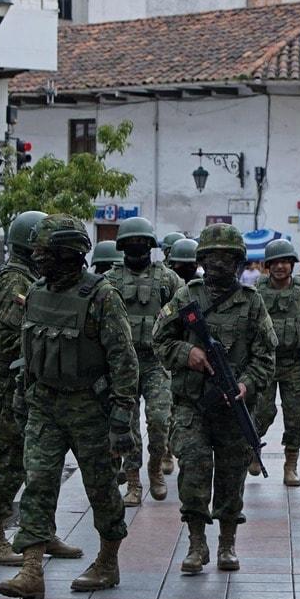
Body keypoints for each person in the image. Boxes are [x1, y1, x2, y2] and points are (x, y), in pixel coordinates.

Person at [0, 215, 139, 599]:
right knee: (38, 483)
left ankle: (108, 561)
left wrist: (122, 418)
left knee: (101, 488)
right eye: (38, 254)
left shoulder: (101, 297)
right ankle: (31, 570)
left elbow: (124, 360)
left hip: (90, 408)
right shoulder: (38, 293)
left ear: (70, 255)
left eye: (47, 254)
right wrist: (19, 400)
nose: (39, 260)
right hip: (44, 405)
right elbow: (29, 354)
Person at [153, 223, 276, 574]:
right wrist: (186, 353)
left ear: (238, 262)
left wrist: (246, 384)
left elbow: (266, 356)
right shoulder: (186, 298)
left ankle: (226, 544)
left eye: (227, 258)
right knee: (193, 466)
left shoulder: (252, 303)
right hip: (192, 404)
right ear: (202, 260)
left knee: (231, 475)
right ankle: (196, 544)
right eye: (212, 257)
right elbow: (159, 340)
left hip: (232, 408)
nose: (219, 264)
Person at [0, 211, 85, 567]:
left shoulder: (31, 279)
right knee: (10, 459)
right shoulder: (15, 281)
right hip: (11, 381)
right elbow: (3, 337)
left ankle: (42, 531)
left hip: (30, 381)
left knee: (41, 463)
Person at [105, 217, 184, 506]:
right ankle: (134, 481)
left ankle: (155, 469)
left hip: (156, 361)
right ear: (122, 246)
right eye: (131, 243)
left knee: (160, 419)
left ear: (150, 245)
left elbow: (186, 310)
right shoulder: (111, 280)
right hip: (124, 364)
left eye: (142, 242)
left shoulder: (167, 278)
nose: (136, 247)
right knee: (126, 425)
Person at [254, 239, 300, 486]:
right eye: (275, 263)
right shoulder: (257, 292)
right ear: (267, 266)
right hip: (263, 364)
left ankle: (290, 465)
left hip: (293, 365)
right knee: (261, 412)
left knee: (295, 416)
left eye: (285, 262)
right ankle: (254, 449)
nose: (280, 267)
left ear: (293, 265)